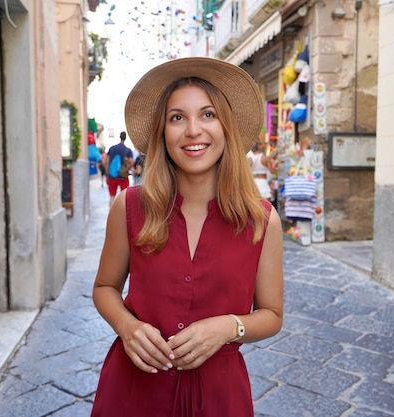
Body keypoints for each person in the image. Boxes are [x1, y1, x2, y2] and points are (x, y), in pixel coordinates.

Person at [90, 57, 284, 417]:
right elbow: (104, 288)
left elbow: (271, 315)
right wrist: (127, 326)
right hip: (133, 391)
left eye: (207, 115)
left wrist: (229, 326)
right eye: (177, 117)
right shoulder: (130, 206)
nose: (193, 130)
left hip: (219, 397)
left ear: (226, 127)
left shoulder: (262, 220)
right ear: (163, 133)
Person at [105, 131, 134, 206]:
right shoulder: (128, 150)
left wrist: (107, 174)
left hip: (112, 176)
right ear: (125, 138)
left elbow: (107, 162)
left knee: (112, 196)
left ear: (119, 137)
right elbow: (131, 162)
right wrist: (126, 168)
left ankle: (111, 214)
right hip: (123, 177)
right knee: (124, 197)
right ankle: (122, 214)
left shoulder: (112, 148)